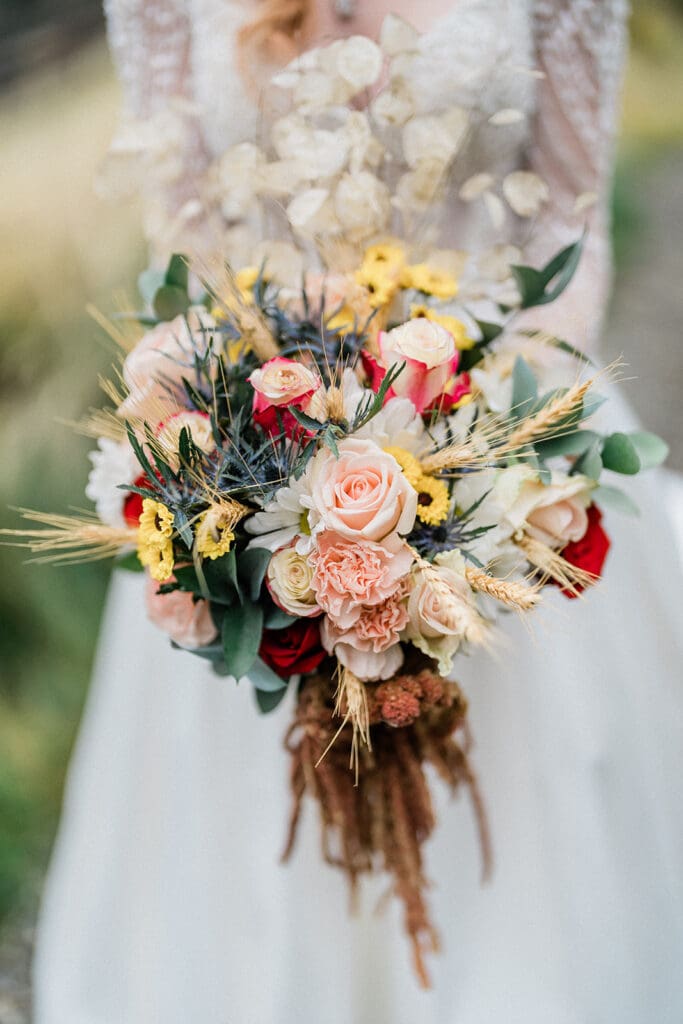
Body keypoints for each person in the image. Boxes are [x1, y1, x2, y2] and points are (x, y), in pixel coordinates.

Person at [33, 2, 683, 1022]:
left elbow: (566, 218)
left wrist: (486, 456)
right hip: (258, 446)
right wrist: (256, 468)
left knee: (537, 867)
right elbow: (187, 233)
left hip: (494, 431)